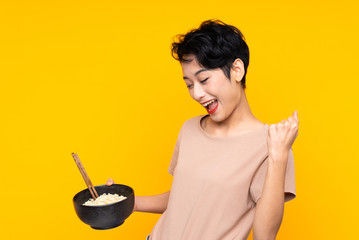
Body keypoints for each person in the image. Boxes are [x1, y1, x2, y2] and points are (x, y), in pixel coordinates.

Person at [106, 19, 299, 240]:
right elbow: (185, 199)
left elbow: (265, 235)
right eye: (189, 84)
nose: (196, 94)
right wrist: (131, 203)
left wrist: (278, 156)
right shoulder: (189, 129)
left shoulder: (271, 145)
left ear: (237, 70)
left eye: (204, 79)